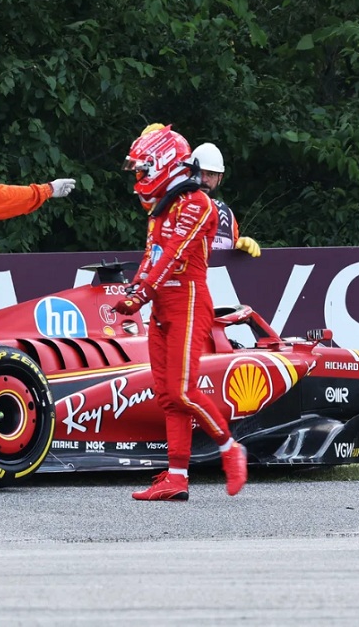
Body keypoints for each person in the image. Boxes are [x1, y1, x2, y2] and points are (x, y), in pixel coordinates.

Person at [113, 124, 247, 501]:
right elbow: (151, 257)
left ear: (163, 165)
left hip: (188, 300)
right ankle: (176, 478)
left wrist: (140, 294)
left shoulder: (197, 203)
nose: (138, 176)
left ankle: (230, 449)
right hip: (161, 306)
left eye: (142, 169)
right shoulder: (160, 209)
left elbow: (173, 254)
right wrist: (135, 291)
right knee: (168, 396)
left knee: (183, 391)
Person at [190, 142, 261, 257]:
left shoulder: (226, 215)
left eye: (211, 174)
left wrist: (239, 248)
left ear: (220, 178)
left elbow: (230, 261)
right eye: (199, 172)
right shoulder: (175, 207)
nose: (204, 180)